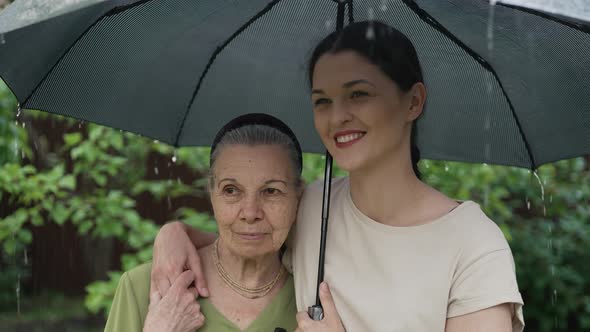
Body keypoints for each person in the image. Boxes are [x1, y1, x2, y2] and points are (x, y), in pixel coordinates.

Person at [149, 21, 525, 331]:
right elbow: (243, 235)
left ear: (413, 101)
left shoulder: (473, 245)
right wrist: (173, 235)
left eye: (358, 94)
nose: (337, 116)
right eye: (322, 101)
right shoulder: (314, 207)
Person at [105, 113, 304, 332]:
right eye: (231, 190)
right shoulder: (144, 289)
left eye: (271, 191)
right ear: (212, 194)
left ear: (298, 195)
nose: (250, 213)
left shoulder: (316, 301)